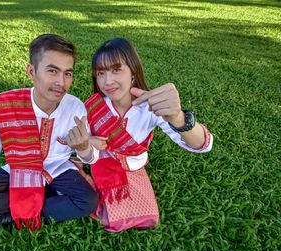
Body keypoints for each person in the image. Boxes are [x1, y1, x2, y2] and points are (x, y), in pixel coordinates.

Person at [0, 34, 99, 244]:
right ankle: (41, 197)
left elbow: (90, 158)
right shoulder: (4, 109)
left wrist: (84, 148)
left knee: (88, 202)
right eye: (52, 71)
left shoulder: (75, 107)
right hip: (19, 168)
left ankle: (13, 214)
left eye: (67, 73)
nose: (61, 82)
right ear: (31, 72)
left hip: (57, 167)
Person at [85, 38, 213, 232]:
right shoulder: (94, 105)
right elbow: (78, 137)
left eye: (116, 70)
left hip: (133, 166)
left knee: (147, 217)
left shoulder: (150, 108)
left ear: (133, 72)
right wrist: (88, 141)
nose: (107, 81)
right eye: (101, 73)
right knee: (103, 210)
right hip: (101, 160)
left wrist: (179, 118)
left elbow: (202, 145)